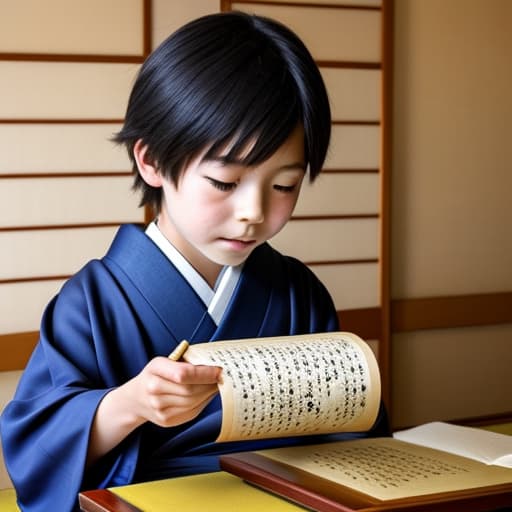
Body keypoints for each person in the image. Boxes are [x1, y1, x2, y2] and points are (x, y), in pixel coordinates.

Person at [0, 11, 388, 512]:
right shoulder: (92, 302)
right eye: (225, 182)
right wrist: (130, 404)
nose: (253, 213)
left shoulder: (297, 293)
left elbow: (352, 433)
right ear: (152, 161)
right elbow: (36, 447)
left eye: (284, 185)